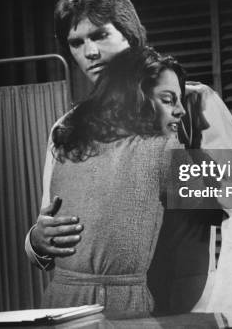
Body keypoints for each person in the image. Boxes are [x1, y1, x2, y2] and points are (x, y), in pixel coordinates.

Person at [25, 0, 232, 313]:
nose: (90, 52)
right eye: (76, 43)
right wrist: (36, 242)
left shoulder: (194, 106)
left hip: (181, 306)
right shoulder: (66, 127)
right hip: (87, 312)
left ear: (131, 36)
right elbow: (50, 223)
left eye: (100, 35)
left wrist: (218, 314)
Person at [41, 46, 190, 315]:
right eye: (169, 99)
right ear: (137, 98)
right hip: (118, 306)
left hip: (57, 304)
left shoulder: (68, 142)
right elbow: (225, 199)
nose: (181, 111)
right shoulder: (163, 148)